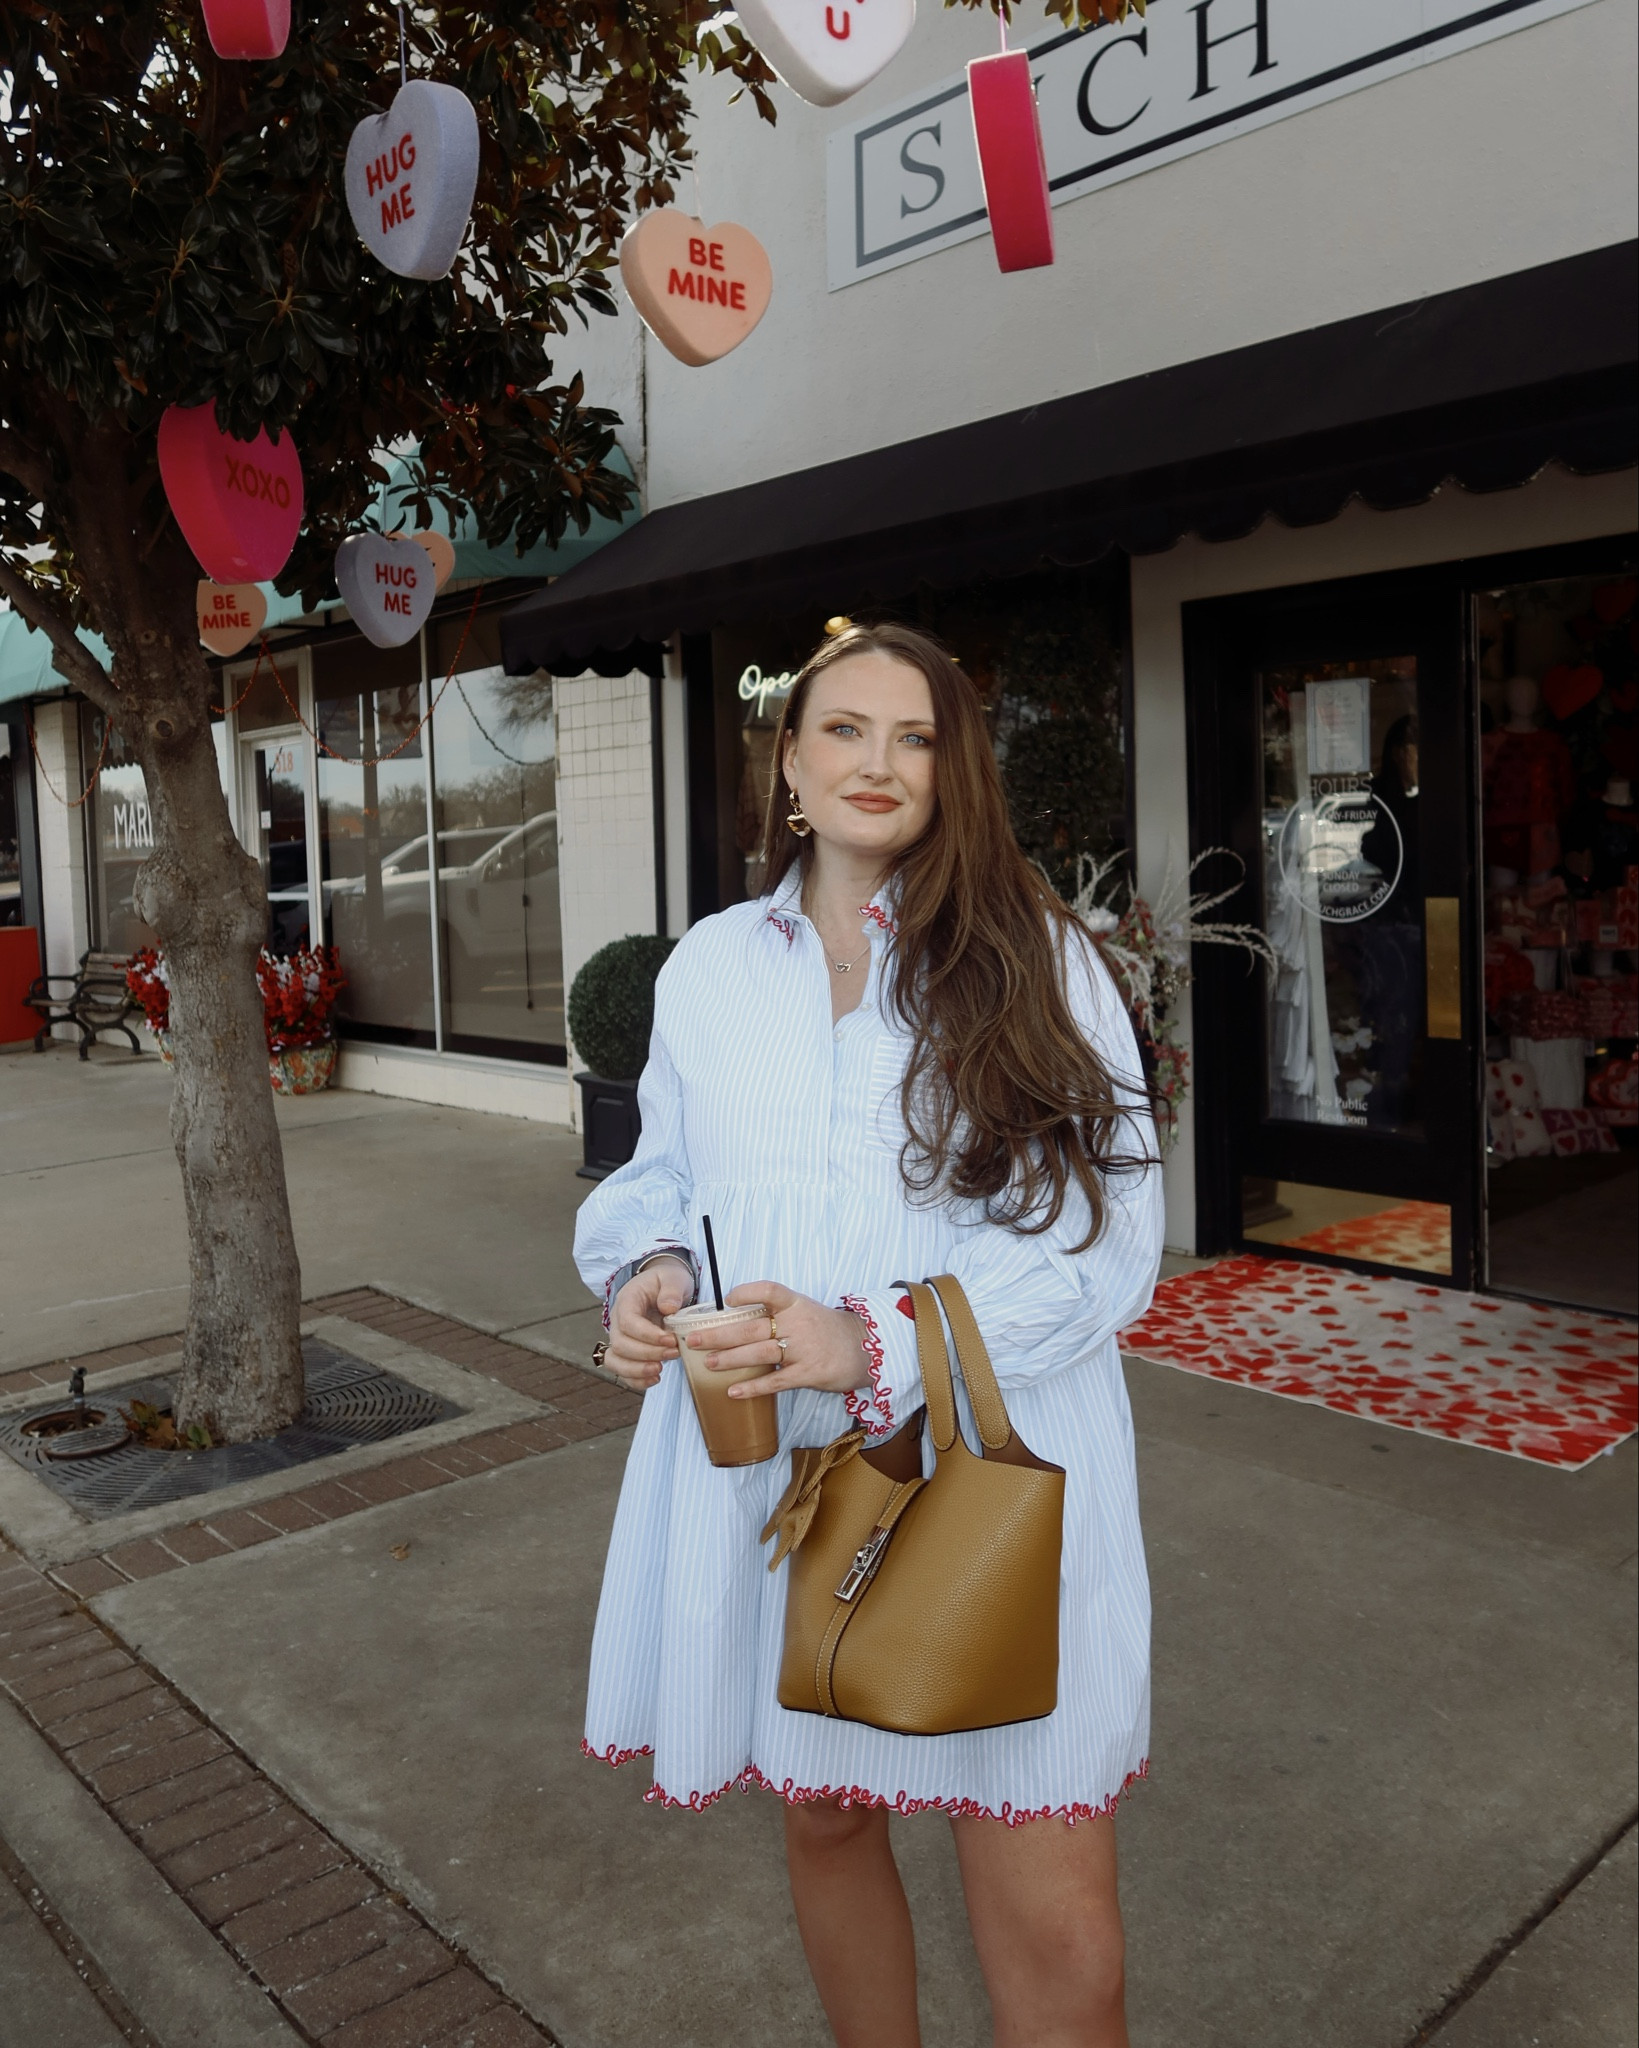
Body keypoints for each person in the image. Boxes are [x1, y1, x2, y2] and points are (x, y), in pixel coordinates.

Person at [576, 621, 1164, 2048]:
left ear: (956, 772)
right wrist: (648, 1268)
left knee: (1057, 1917)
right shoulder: (712, 966)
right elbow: (662, 1174)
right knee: (828, 1816)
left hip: (990, 1462)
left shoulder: (1040, 960)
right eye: (844, 729)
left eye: (916, 737)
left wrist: (867, 1338)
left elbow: (1107, 1250)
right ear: (788, 761)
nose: (878, 763)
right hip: (773, 1466)